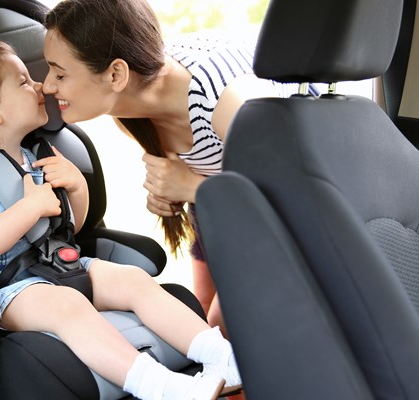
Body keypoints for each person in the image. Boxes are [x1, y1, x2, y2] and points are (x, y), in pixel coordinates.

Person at [0, 39, 241, 400]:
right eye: (23, 81)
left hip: (60, 266)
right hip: (8, 291)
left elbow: (70, 228)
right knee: (69, 306)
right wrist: (30, 207)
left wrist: (77, 187)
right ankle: (157, 385)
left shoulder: (37, 154)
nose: (40, 86)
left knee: (132, 280)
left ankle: (223, 357)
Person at [42, 0, 282, 333]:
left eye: (60, 73)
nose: (47, 86)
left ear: (116, 73)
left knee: (220, 331)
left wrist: (193, 187)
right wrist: (171, 191)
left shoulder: (225, 101)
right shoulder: (128, 109)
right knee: (200, 314)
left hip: (280, 226)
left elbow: (292, 198)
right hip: (227, 213)